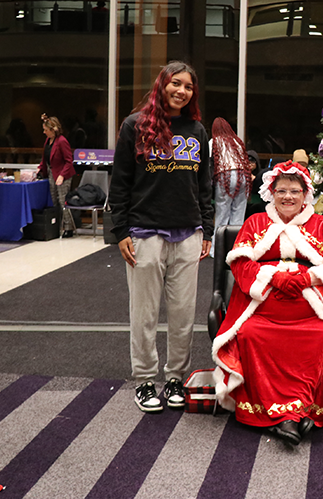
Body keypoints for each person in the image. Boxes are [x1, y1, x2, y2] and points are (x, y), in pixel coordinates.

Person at [212, 160, 323, 446]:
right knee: (250, 335)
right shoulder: (255, 222)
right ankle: (292, 415)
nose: (288, 197)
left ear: (305, 194)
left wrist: (308, 278)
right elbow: (240, 264)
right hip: (262, 310)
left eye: (294, 191)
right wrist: (273, 277)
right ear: (271, 192)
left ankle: (293, 414)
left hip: (311, 312)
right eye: (281, 191)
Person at [109, 61, 214, 413]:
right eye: (176, 83)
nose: (181, 91)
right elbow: (120, 183)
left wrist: (206, 229)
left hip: (188, 233)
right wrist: (120, 231)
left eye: (188, 86)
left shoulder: (197, 130)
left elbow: (204, 185)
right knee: (144, 314)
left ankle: (174, 379)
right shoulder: (134, 126)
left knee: (183, 315)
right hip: (144, 232)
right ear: (162, 85)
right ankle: (144, 380)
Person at [38, 114, 77, 238]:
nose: (44, 132)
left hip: (62, 174)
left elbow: (68, 161)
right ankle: (56, 226)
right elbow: (45, 158)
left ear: (53, 130)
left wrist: (62, 176)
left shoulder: (62, 141)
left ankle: (69, 227)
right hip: (52, 172)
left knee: (62, 200)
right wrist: (40, 169)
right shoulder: (48, 141)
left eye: (46, 130)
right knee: (54, 200)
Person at [211, 118, 253, 232]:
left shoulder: (214, 141)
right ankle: (237, 241)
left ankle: (218, 243)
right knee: (239, 215)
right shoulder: (237, 141)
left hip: (225, 176)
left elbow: (208, 162)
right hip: (243, 176)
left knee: (222, 215)